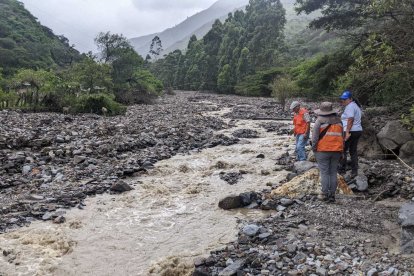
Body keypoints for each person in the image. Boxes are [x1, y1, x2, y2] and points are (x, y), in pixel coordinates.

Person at [311, 102, 344, 202]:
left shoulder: (319, 121)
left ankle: (325, 194)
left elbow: (315, 138)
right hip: (337, 151)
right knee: (333, 172)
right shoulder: (339, 121)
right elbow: (342, 137)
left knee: (324, 172)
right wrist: (342, 151)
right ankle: (332, 195)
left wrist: (314, 149)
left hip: (323, 150)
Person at [338, 90, 363, 177]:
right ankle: (354, 171)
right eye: (342, 99)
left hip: (350, 131)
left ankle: (342, 170)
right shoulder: (356, 106)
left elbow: (350, 119)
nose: (343, 101)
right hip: (357, 130)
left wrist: (347, 132)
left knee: (343, 150)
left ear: (350, 99)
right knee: (353, 151)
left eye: (345, 99)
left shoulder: (350, 107)